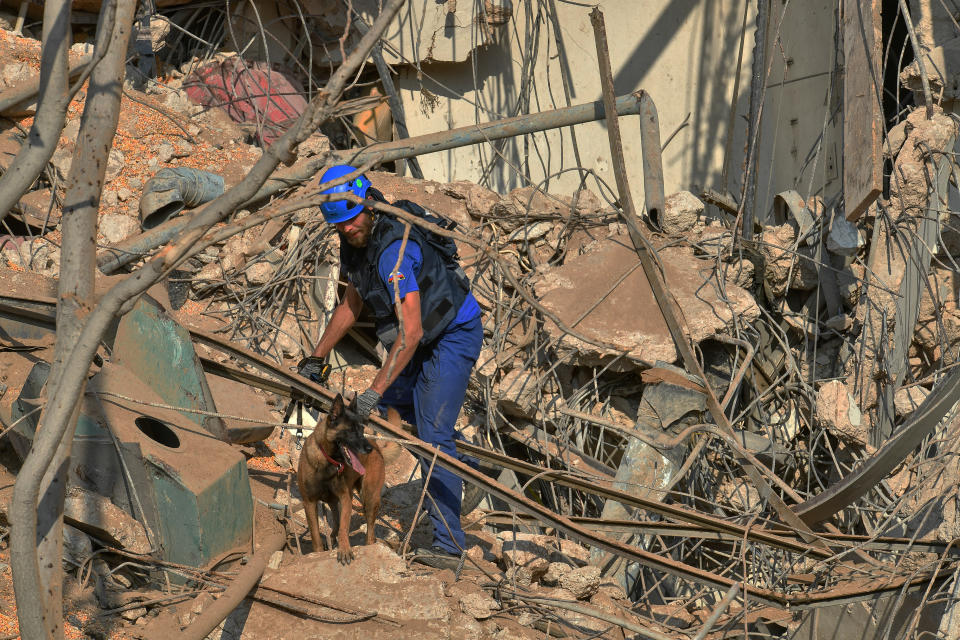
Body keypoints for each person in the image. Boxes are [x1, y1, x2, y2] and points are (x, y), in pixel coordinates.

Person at [298, 164, 483, 568]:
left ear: (367, 203)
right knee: (401, 417)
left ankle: (450, 547)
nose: (347, 229)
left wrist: (372, 390)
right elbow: (353, 302)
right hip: (417, 338)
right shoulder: (355, 242)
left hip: (451, 333)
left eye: (351, 219)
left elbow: (411, 332)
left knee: (431, 437)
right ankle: (469, 469)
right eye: (338, 225)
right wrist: (317, 357)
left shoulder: (393, 255)